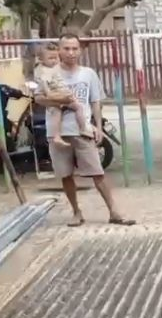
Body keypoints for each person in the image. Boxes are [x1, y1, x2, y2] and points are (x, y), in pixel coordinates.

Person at [35, 34, 133, 227]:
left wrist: (98, 126)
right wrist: (60, 101)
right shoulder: (49, 72)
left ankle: (114, 211)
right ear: (59, 51)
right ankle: (76, 211)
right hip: (58, 132)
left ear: (80, 50)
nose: (71, 53)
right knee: (66, 175)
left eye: (74, 48)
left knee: (98, 172)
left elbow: (96, 102)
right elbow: (38, 99)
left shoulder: (88, 74)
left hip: (83, 131)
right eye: (66, 49)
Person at [34, 42, 90, 148]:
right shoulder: (44, 72)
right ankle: (79, 129)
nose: (55, 61)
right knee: (62, 110)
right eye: (51, 58)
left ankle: (82, 128)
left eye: (56, 58)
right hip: (58, 95)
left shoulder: (52, 69)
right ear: (41, 59)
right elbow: (47, 91)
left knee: (73, 108)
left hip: (62, 93)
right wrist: (59, 97)